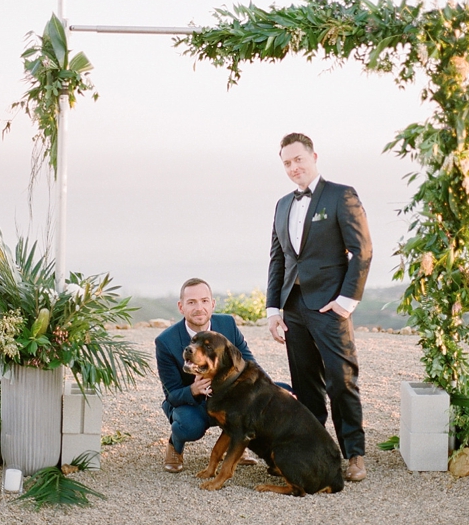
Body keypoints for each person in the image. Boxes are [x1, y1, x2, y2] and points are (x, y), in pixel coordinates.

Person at [266, 132, 373, 482]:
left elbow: (362, 250)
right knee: (305, 385)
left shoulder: (341, 195)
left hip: (330, 305)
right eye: (286, 163)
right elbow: (278, 259)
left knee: (341, 381)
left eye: (298, 159)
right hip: (293, 307)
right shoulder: (282, 204)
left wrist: (346, 301)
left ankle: (354, 453)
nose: (293, 167)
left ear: (314, 156)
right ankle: (317, 450)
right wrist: (273, 309)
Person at [155, 277, 258, 473]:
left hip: (227, 398)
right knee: (189, 426)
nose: (199, 308)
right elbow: (172, 395)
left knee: (282, 394)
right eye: (191, 302)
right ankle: (175, 445)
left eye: (204, 301)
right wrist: (193, 389)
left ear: (212, 304)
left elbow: (250, 365)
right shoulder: (166, 342)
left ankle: (235, 444)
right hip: (193, 404)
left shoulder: (227, 324)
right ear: (181, 307)